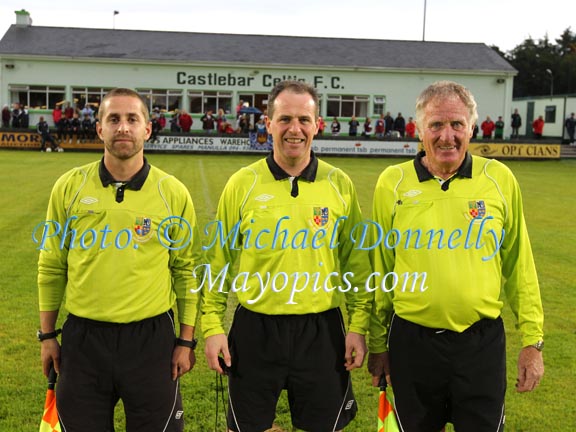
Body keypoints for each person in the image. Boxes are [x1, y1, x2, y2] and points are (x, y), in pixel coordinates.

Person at [367, 80, 544, 432]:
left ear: (472, 128)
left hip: (480, 345)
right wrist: (377, 342)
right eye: (436, 125)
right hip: (412, 343)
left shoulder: (499, 179)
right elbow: (381, 268)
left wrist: (532, 340)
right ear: (419, 130)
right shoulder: (393, 183)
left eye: (457, 124)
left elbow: (519, 264)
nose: (447, 136)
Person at [201, 80, 373, 432]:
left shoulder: (338, 184)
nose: (295, 129)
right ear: (268, 124)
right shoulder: (242, 183)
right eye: (285, 119)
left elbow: (355, 262)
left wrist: (357, 325)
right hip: (255, 330)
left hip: (321, 331)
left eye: (304, 120)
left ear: (317, 125)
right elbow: (219, 261)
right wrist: (212, 326)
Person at [36, 87, 204, 432]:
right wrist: (48, 335)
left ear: (147, 129)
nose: (123, 127)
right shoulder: (69, 187)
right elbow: (52, 265)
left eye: (132, 119)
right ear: (99, 129)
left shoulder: (172, 192)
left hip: (151, 340)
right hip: (83, 341)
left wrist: (186, 340)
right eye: (113, 119)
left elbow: (185, 271)